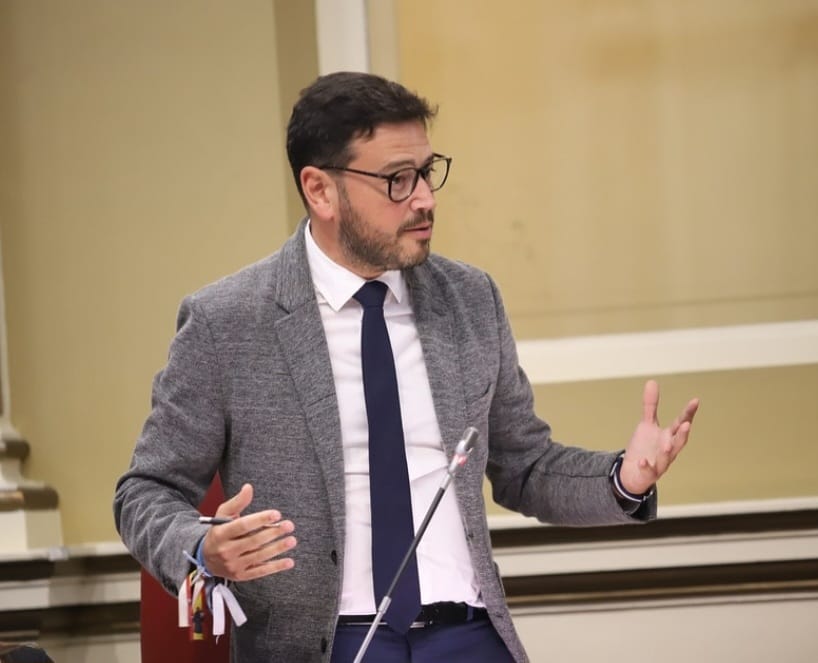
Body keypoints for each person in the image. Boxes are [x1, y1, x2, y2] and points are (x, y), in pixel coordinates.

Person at [114, 71, 699, 663]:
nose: (425, 199)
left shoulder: (469, 299)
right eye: (397, 180)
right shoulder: (229, 321)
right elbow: (146, 491)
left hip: (468, 633)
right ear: (320, 191)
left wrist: (624, 479)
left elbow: (524, 467)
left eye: (427, 171)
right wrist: (202, 547)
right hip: (327, 642)